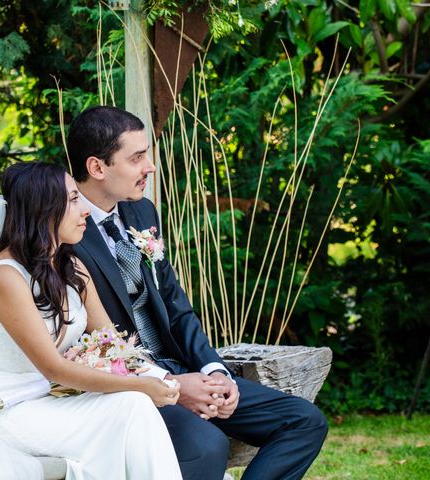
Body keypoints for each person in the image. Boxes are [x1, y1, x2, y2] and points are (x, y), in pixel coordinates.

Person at [68, 106, 329, 480]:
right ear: (97, 168)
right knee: (208, 445)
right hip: (125, 386)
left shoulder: (141, 213)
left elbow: (175, 306)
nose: (150, 167)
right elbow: (91, 341)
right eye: (137, 157)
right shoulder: (66, 231)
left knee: (303, 421)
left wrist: (214, 370)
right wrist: (169, 385)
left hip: (183, 367)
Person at [0, 161, 183, 480]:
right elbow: (53, 368)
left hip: (48, 401)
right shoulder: (6, 278)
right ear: (44, 209)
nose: (84, 212)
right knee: (131, 405)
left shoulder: (72, 268)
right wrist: (140, 385)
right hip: (2, 411)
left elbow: (113, 343)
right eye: (74, 200)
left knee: (132, 405)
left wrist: (160, 379)